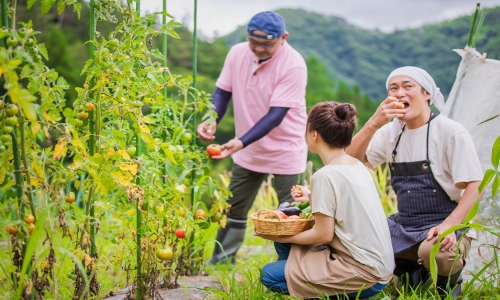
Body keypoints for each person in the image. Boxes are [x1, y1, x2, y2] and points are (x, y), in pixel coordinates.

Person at [346, 66, 483, 298]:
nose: (400, 93)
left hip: (445, 224)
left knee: (438, 253)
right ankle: (409, 270)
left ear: (426, 93)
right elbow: (348, 163)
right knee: (358, 237)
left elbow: (475, 187)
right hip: (406, 223)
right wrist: (373, 123)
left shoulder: (450, 131)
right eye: (393, 88)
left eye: (408, 86)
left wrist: (451, 225)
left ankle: (447, 285)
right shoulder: (390, 133)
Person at [197, 11, 308, 264]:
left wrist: (240, 141)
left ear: (283, 38)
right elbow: (222, 93)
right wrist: (210, 118)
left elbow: (276, 115)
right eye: (253, 42)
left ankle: (294, 265)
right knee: (234, 206)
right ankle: (222, 260)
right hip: (247, 148)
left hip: (285, 149)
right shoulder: (237, 53)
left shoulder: (294, 65)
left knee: (290, 211)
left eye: (267, 44)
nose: (258, 48)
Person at [256, 102, 394, 299]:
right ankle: (306, 277)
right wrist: (312, 196)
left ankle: (314, 287)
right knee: (287, 245)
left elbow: (323, 235)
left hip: (362, 274)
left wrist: (276, 236)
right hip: (379, 268)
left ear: (314, 135)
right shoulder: (356, 165)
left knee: (269, 275)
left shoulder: (325, 175)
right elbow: (344, 204)